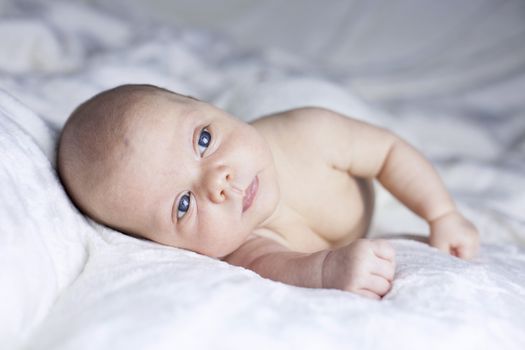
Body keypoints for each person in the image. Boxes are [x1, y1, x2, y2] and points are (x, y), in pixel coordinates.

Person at [57, 84, 480, 300]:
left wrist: (441, 214)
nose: (217, 182)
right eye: (183, 205)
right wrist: (332, 268)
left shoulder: (309, 134)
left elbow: (388, 153)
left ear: (210, 107)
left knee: (360, 126)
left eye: (204, 140)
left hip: (339, 141)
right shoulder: (242, 246)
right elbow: (290, 267)